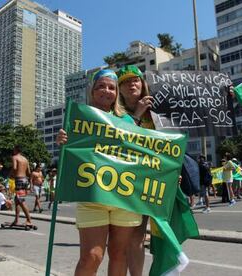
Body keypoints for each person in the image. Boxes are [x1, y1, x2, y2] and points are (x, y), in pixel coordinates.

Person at [56, 69, 141, 276]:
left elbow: (142, 156)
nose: (106, 90)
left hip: (123, 198)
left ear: (116, 94)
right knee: (92, 257)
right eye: (101, 86)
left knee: (119, 254)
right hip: (92, 197)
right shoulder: (78, 118)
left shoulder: (128, 122)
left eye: (111, 87)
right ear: (92, 91)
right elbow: (71, 157)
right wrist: (62, 143)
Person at [116, 65, 154, 276]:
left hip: (153, 181)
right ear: (119, 89)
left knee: (139, 237)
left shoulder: (157, 109)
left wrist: (224, 96)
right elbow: (120, 144)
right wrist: (137, 116)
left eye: (136, 80)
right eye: (126, 81)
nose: (132, 84)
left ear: (143, 83)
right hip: (125, 182)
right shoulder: (115, 114)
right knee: (127, 239)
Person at [11, 145, 33, 226]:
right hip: (25, 179)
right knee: (17, 201)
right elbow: (29, 172)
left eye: (13, 149)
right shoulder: (25, 159)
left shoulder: (15, 157)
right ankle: (16, 220)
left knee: (21, 201)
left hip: (19, 179)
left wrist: (11, 174)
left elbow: (14, 167)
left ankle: (29, 220)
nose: (13, 151)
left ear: (16, 150)